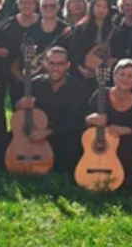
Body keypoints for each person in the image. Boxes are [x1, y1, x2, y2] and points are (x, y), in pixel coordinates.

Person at [14, 47, 87, 175]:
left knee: (71, 152)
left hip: (62, 135)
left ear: (67, 65)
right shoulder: (35, 84)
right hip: (36, 133)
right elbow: (20, 113)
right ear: (45, 64)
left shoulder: (78, 88)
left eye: (60, 64)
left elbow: (77, 121)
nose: (55, 68)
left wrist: (48, 132)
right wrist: (19, 105)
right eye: (52, 64)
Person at [84, 58, 132, 186]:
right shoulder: (100, 94)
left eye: (130, 76)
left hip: (125, 148)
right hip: (100, 147)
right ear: (114, 76)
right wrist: (89, 119)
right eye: (121, 74)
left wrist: (127, 130)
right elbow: (82, 120)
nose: (125, 78)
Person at [69, 0, 115, 92]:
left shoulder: (114, 29)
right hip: (85, 76)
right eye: (98, 6)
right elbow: (74, 53)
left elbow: (118, 53)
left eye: (105, 7)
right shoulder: (81, 28)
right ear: (92, 7)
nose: (101, 10)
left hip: (107, 77)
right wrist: (82, 70)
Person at [4, 0, 41, 106]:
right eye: (23, 2)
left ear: (36, 5)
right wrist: (17, 74)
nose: (27, 6)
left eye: (30, 3)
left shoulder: (42, 23)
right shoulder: (9, 24)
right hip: (15, 73)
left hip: (38, 73)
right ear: (18, 5)